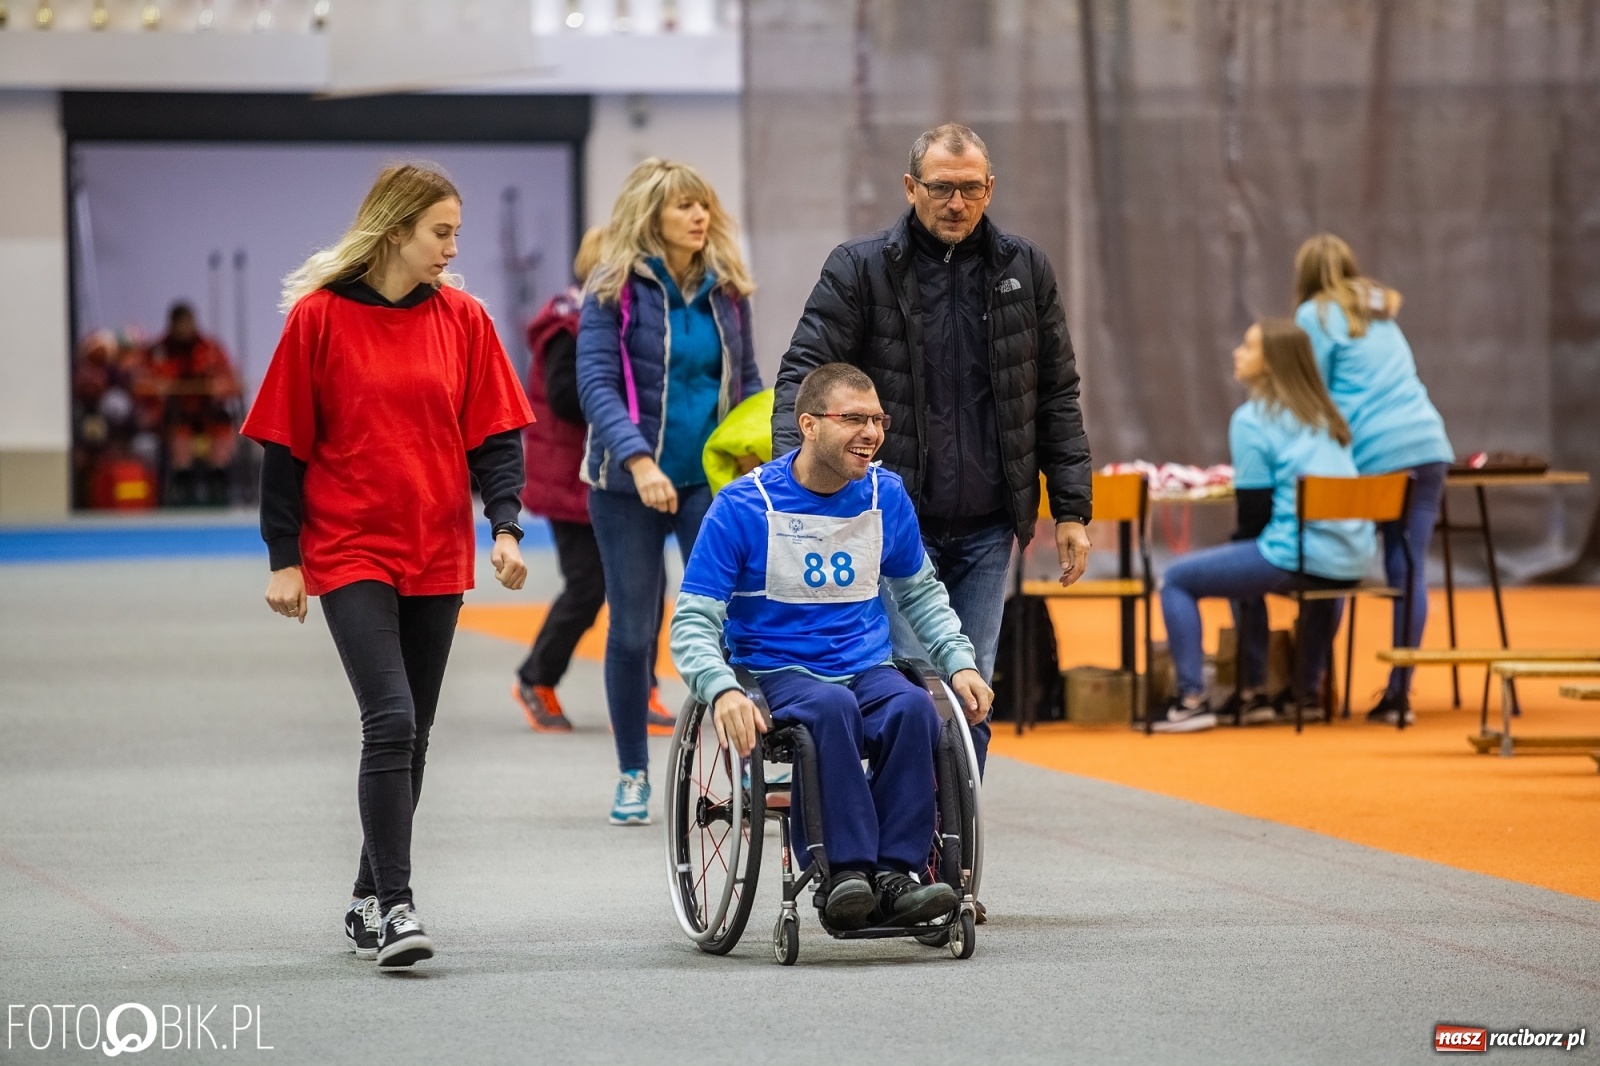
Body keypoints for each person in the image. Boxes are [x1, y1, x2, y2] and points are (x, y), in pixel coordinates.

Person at [241, 163, 534, 968]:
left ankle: (368, 896)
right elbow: (285, 445)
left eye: (455, 234)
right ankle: (399, 909)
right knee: (392, 719)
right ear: (397, 229)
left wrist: (505, 528)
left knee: (417, 732)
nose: (451, 248)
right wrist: (283, 557)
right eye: (440, 232)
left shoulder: (465, 321)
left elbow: (497, 439)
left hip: (438, 544)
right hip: (348, 546)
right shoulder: (319, 320)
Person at [771, 123, 1092, 773]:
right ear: (911, 187)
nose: (957, 203)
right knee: (914, 687)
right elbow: (803, 377)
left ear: (990, 188)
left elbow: (1057, 394)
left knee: (970, 692)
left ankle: (945, 849)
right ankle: (904, 846)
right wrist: (796, 489)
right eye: (943, 188)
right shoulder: (859, 268)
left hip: (988, 526)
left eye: (971, 189)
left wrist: (1072, 511)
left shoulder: (1025, 269)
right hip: (891, 524)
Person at [671, 363, 993, 928]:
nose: (870, 432)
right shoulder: (742, 507)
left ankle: (897, 874)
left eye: (877, 419)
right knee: (831, 708)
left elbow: (919, 594)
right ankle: (842, 874)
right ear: (810, 426)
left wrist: (958, 661)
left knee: (914, 707)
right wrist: (720, 689)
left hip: (865, 664)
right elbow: (693, 621)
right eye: (854, 419)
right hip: (778, 671)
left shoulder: (884, 495)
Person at [577, 158, 762, 826]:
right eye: (683, 206)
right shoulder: (614, 289)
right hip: (626, 485)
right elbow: (595, 383)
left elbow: (747, 381)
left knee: (733, 620)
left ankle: (745, 761)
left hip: (706, 481)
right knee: (632, 630)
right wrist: (637, 460)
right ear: (650, 217)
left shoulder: (728, 290)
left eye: (703, 205)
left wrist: (752, 455)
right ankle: (633, 771)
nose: (698, 216)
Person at [1152, 319, 1376, 733]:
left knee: (1177, 579)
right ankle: (1302, 693)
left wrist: (1240, 566)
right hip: (1350, 557)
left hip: (1298, 553)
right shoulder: (1328, 417)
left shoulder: (1252, 419)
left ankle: (1192, 700)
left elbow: (1253, 514)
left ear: (1272, 364)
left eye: (1249, 347)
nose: (1237, 352)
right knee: (1273, 564)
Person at [512, 226, 676, 735]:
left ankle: (643, 686)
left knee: (650, 585)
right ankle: (536, 678)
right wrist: (628, 404)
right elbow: (566, 395)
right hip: (572, 483)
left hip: (621, 476)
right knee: (588, 587)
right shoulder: (570, 325)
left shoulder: (635, 321)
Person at [1293, 234, 1454, 726]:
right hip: (1430, 446)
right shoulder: (1379, 311)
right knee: (1409, 568)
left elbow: (1308, 387)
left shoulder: (1314, 315)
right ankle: (1397, 693)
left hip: (1377, 455)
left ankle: (1315, 687)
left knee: (1335, 563)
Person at [140, 302, 242, 506]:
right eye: (182, 323)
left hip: (209, 414)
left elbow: (231, 381)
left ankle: (218, 488)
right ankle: (182, 490)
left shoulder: (210, 349)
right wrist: (161, 389)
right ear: (173, 325)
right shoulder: (158, 351)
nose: (186, 328)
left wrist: (218, 387)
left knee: (223, 427)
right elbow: (144, 384)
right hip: (177, 415)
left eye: (189, 322)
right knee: (180, 433)